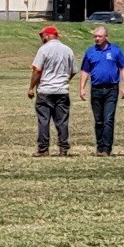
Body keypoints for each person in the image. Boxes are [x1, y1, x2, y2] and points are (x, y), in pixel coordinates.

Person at [79, 25, 124, 156]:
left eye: (99, 36)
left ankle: (107, 148)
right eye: (95, 36)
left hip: (111, 89)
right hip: (96, 89)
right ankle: (99, 147)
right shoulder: (90, 52)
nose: (96, 39)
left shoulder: (115, 51)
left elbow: (123, 67)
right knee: (98, 120)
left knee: (108, 119)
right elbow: (85, 70)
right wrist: (82, 88)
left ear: (106, 37)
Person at [27, 25, 78, 157]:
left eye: (42, 35)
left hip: (45, 90)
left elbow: (37, 70)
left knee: (44, 120)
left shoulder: (44, 50)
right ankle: (63, 148)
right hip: (62, 91)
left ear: (48, 35)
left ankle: (43, 149)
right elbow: (73, 71)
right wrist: (64, 81)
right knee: (62, 121)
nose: (41, 38)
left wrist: (31, 87)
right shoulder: (68, 50)